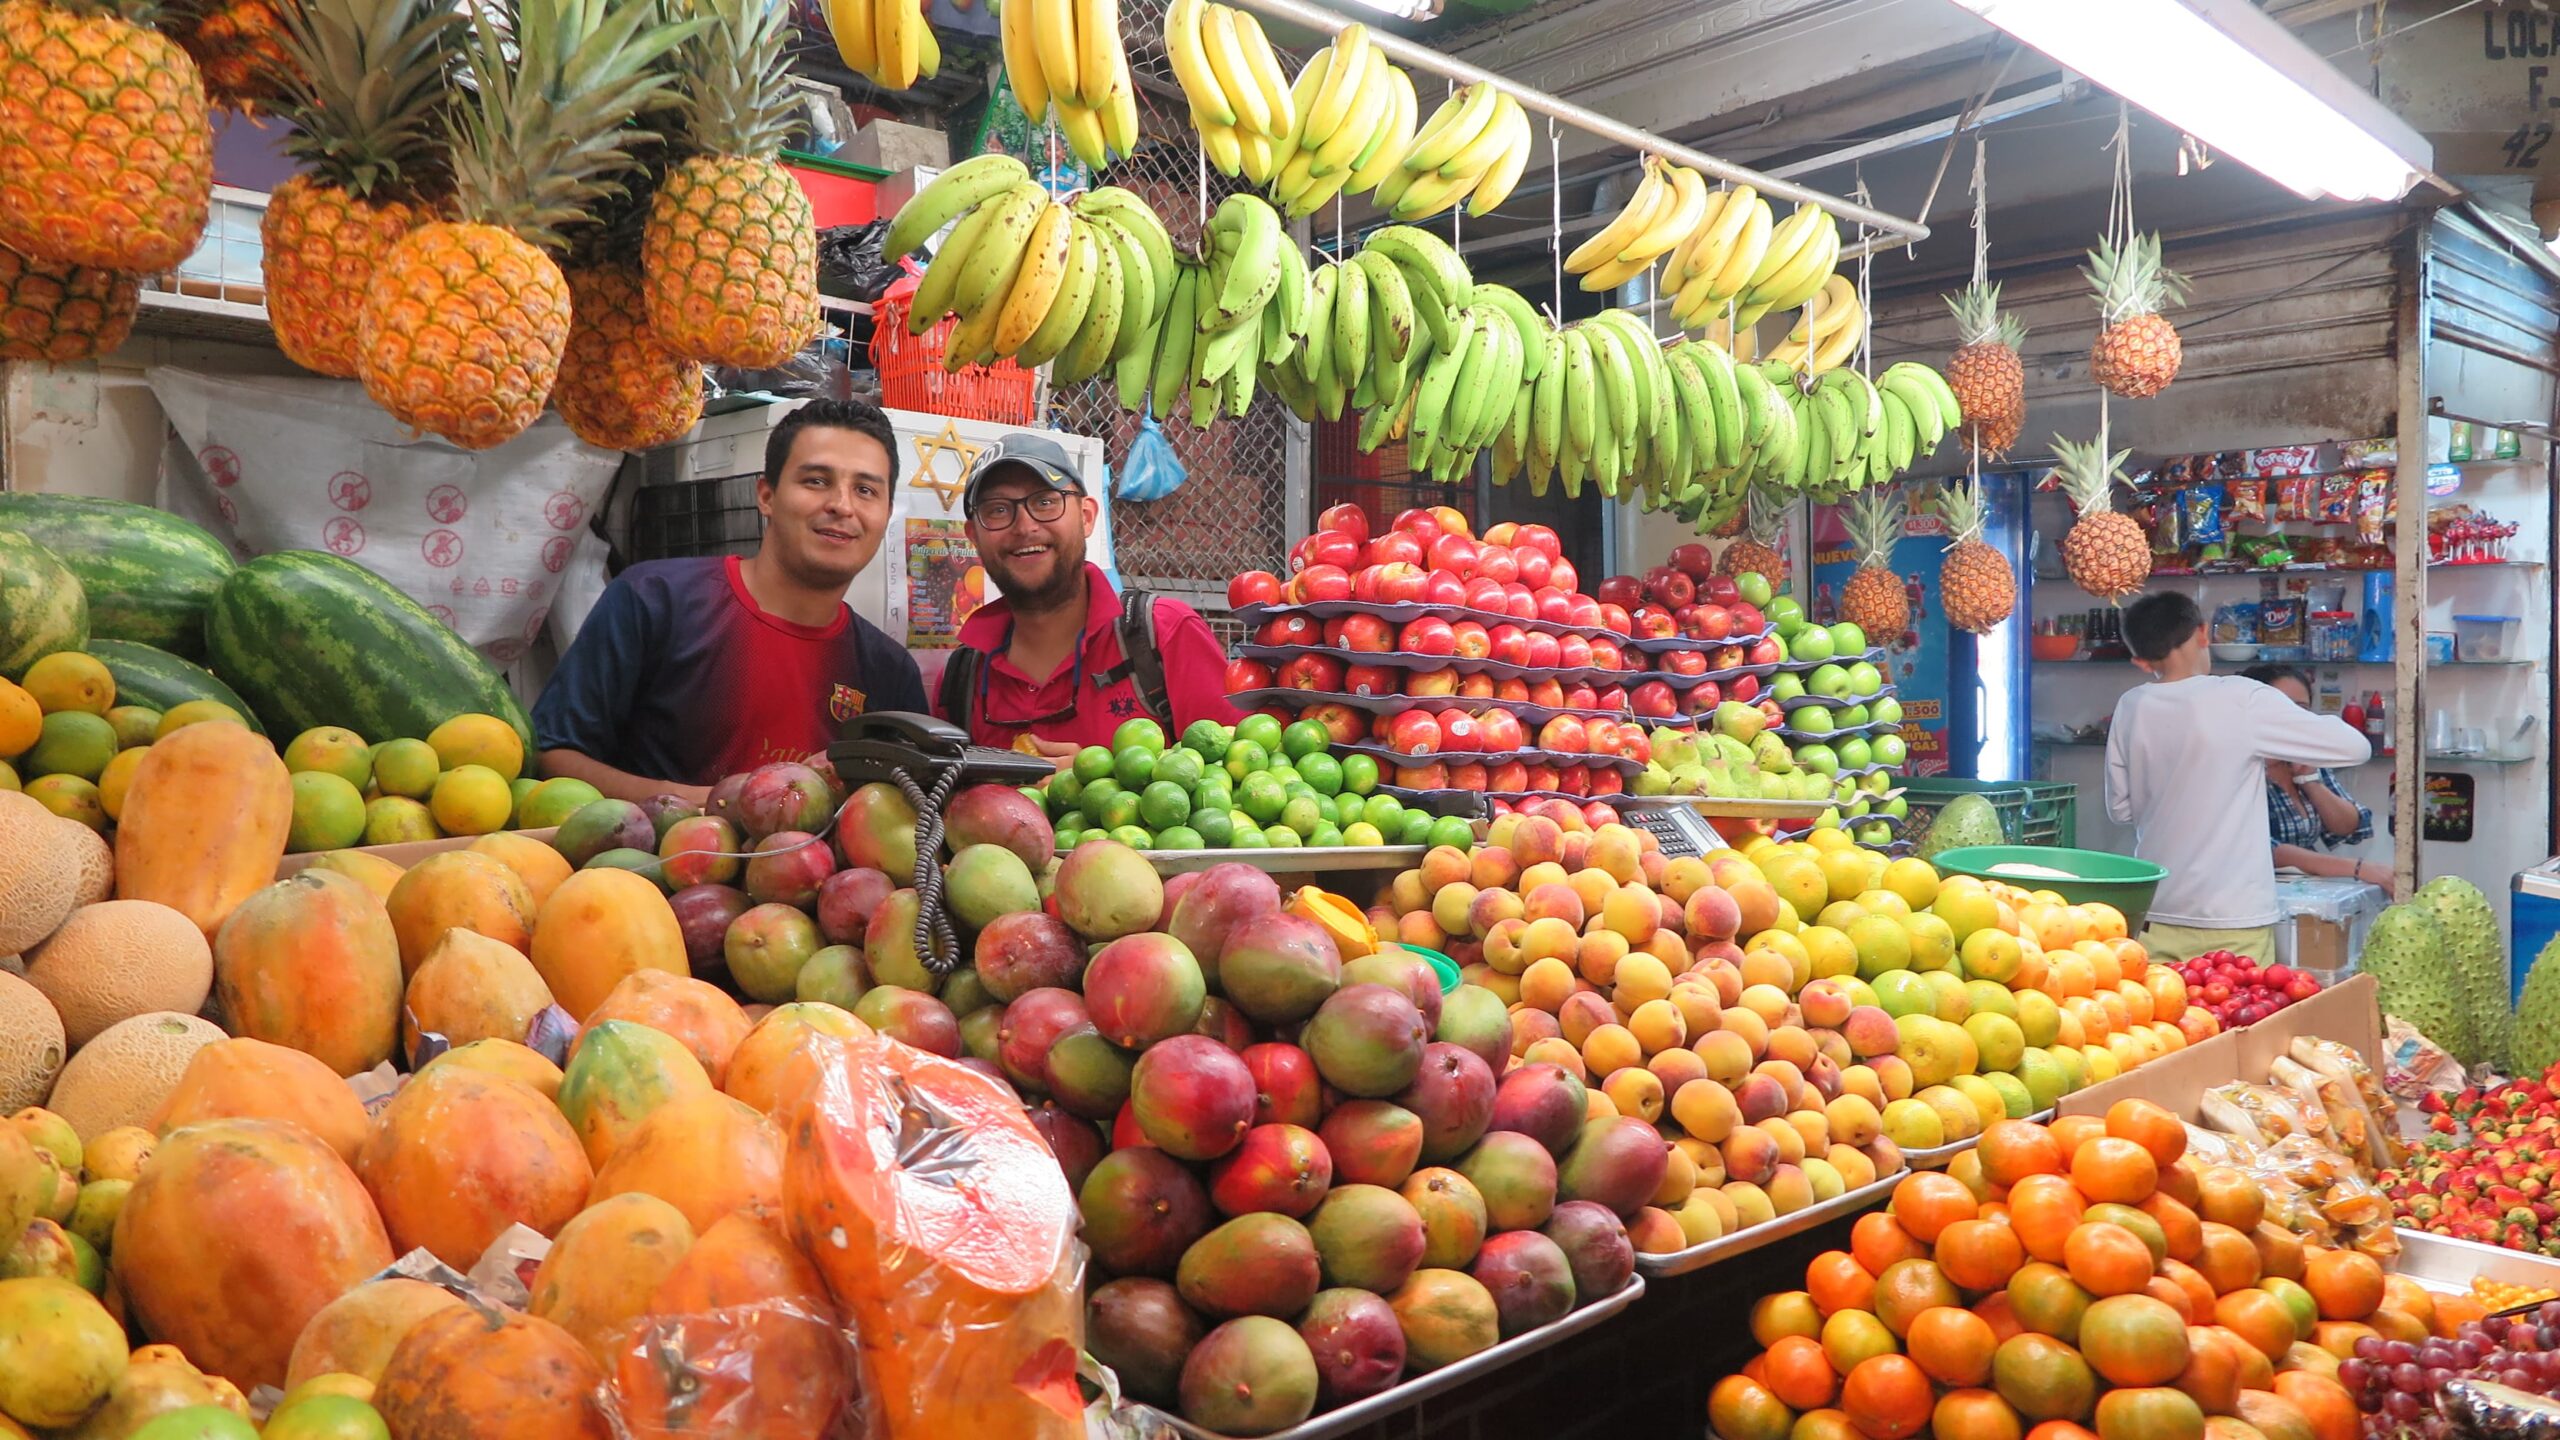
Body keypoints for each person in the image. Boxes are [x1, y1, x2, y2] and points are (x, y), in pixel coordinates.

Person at [532, 399, 929, 805]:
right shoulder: (657, 601)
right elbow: (554, 754)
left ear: (885, 513)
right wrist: (728, 807)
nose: (842, 506)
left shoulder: (889, 673)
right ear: (767, 495)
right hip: (649, 866)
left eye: (865, 490)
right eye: (816, 481)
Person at [2103, 592, 2371, 963]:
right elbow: (2355, 747)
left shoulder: (2130, 706)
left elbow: (2121, 810)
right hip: (2234, 919)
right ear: (2203, 633)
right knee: (2238, 1019)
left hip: (2157, 910)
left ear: (2141, 662)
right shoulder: (2242, 697)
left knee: (2163, 1018)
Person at [936, 432, 1240, 759]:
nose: (1024, 526)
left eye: (1045, 501)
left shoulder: (1163, 635)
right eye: (997, 510)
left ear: (1086, 517)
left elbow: (1241, 777)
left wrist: (1101, 783)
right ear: (974, 538)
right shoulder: (961, 679)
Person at [2241, 663, 2394, 894]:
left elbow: (2351, 826)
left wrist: (2310, 782)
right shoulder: (2242, 765)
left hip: (2299, 893)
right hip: (2249, 895)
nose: (2292, 717)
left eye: (2301, 709)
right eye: (2282, 707)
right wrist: (2359, 868)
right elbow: (2264, 849)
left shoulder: (2304, 756)